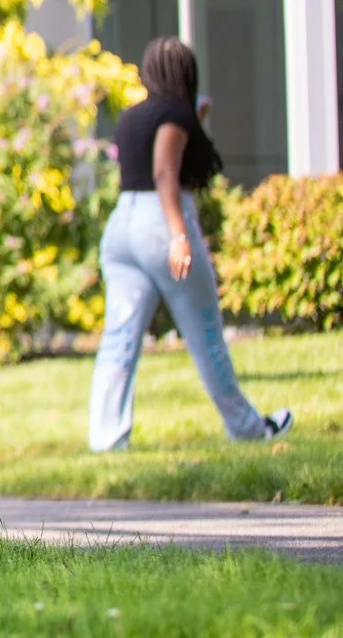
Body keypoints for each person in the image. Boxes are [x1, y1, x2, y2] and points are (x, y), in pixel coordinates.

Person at [89, 37, 293, 452]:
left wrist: (194, 119)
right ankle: (248, 429)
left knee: (120, 338)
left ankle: (106, 440)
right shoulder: (176, 114)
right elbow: (165, 172)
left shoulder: (132, 118)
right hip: (161, 224)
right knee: (207, 335)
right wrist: (179, 236)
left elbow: (150, 158)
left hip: (122, 225)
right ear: (185, 71)